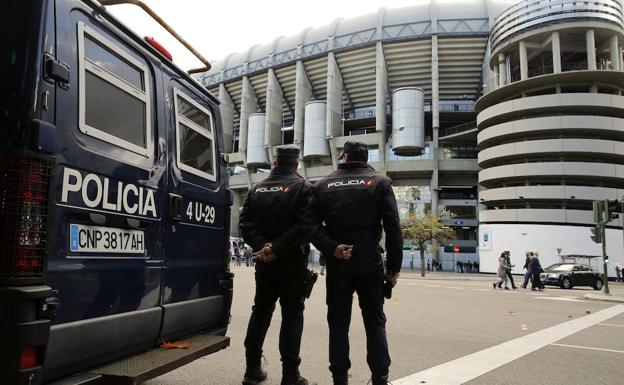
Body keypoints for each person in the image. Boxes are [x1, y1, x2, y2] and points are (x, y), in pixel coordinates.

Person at [311, 141, 403, 385]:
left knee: (338, 323)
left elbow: (310, 226)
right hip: (370, 262)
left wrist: (332, 247)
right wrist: (393, 268)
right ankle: (380, 378)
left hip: (338, 262)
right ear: (364, 158)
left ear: (344, 157)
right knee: (375, 322)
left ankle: (340, 379)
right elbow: (393, 228)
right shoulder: (380, 183)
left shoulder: (322, 185)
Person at [239, 147, 317, 385]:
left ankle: (252, 371)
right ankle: (290, 376)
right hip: (292, 262)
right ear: (296, 165)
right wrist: (277, 247)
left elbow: (244, 223)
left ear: (274, 162)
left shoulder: (256, 188)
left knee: (260, 311)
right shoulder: (303, 188)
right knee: (292, 316)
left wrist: (264, 247)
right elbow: (305, 226)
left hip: (264, 263)